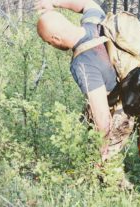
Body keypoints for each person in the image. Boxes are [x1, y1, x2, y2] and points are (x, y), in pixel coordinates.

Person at [35, 0, 121, 162]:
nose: (51, 45)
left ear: (56, 38)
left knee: (99, 159)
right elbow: (87, 4)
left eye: (49, 42)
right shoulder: (94, 23)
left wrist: (100, 155)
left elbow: (103, 119)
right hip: (132, 88)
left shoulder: (82, 64)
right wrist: (54, 3)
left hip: (121, 109)